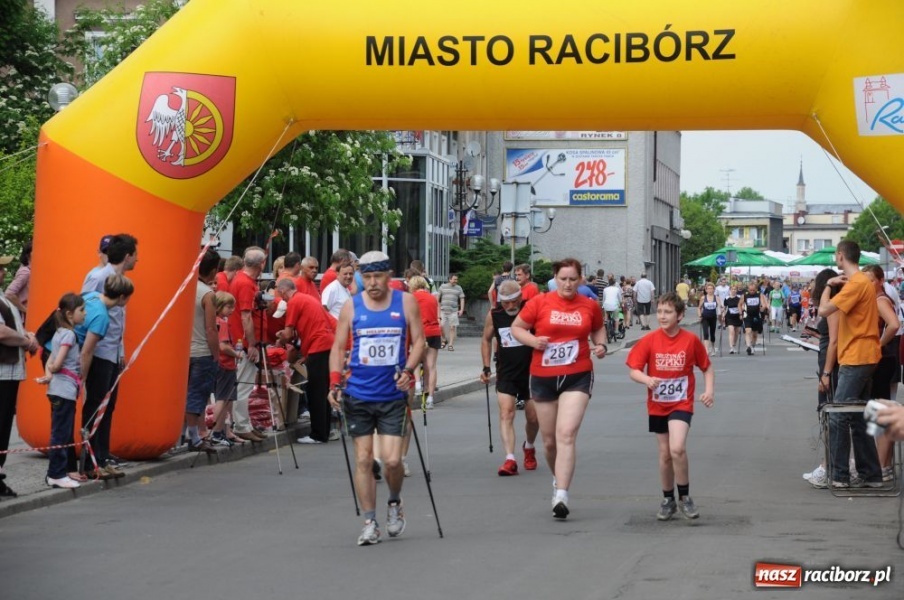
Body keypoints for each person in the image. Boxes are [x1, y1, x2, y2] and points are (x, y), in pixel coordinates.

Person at [328, 251, 425, 546]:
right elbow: (338, 347)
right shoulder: (351, 306)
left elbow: (419, 341)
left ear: (389, 275)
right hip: (357, 392)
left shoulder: (406, 302)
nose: (372, 283)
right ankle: (370, 521)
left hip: (393, 393)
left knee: (392, 462)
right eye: (366, 277)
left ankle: (394, 502)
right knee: (363, 459)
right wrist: (334, 383)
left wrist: (409, 369)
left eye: (378, 276)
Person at [510, 258, 607, 519]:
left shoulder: (589, 305)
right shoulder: (540, 302)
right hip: (543, 375)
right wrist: (533, 340)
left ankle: (562, 493)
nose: (568, 283)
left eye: (573, 279)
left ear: (580, 279)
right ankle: (557, 478)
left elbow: (598, 329)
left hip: (578, 374)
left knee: (566, 434)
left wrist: (601, 346)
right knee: (549, 441)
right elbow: (516, 328)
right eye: (563, 279)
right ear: (555, 279)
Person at [627, 292, 714, 520]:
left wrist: (709, 390)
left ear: (680, 315)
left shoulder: (690, 340)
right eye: (660, 312)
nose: (662, 316)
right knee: (665, 454)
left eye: (668, 312)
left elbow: (706, 367)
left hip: (681, 402)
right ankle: (668, 498)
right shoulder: (649, 340)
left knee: (677, 448)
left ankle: (685, 496)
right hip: (657, 405)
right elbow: (633, 370)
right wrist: (646, 379)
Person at [817, 240, 883, 488]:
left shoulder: (855, 283)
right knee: (858, 418)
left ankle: (840, 475)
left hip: (857, 356)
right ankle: (871, 474)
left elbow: (824, 310)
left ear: (841, 256)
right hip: (863, 355)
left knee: (839, 415)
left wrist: (828, 285)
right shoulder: (861, 283)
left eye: (836, 255)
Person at [81, 233, 138, 476]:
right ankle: (89, 461)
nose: (138, 260)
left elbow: (119, 319)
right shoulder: (98, 277)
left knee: (109, 405)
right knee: (96, 405)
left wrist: (121, 350)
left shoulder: (119, 279)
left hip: (113, 352)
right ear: (127, 256)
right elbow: (83, 309)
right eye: (135, 255)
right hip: (99, 351)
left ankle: (102, 458)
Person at [480, 280, 539, 476]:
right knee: (507, 413)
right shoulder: (494, 315)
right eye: (507, 303)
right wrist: (486, 367)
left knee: (533, 418)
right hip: (506, 372)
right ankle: (510, 459)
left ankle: (529, 447)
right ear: (500, 301)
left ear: (521, 297)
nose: (511, 306)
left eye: (515, 301)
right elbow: (486, 340)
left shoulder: (531, 310)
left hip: (531, 372)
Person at [276, 278, 336, 444]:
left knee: (315, 390)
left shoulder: (295, 302)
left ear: (282, 292)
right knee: (323, 389)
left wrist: (280, 340)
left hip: (318, 346)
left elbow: (288, 333)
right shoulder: (307, 299)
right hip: (325, 344)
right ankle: (324, 430)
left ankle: (318, 434)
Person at [38, 293, 87, 488]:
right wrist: (56, 369)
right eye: (81, 310)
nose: (85, 314)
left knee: (60, 430)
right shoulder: (69, 334)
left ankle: (58, 472)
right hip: (64, 389)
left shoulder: (58, 333)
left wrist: (49, 374)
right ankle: (56, 474)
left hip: (57, 388)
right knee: (61, 432)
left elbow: (50, 359)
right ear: (69, 314)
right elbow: (57, 363)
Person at [0, 262, 39, 499]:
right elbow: (1, 333)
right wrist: (25, 341)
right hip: (2, 374)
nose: (4, 272)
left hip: (9, 372)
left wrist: (26, 336)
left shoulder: (3, 298)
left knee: (4, 428)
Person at [862, 264, 900, 481]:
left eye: (871, 279)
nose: (868, 283)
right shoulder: (880, 299)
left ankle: (882, 466)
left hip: (882, 360)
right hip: (885, 359)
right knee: (883, 411)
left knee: (880, 412)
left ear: (879, 280)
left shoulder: (880, 300)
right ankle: (884, 465)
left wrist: (877, 344)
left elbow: (894, 325)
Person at [803, 269, 840, 488]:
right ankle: (827, 465)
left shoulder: (832, 307)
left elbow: (834, 341)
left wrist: (826, 373)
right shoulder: (830, 307)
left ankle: (828, 467)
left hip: (830, 366)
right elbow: (830, 337)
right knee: (827, 414)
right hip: (825, 360)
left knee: (828, 413)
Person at [228, 247, 268, 443]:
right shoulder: (245, 283)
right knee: (243, 386)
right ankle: (242, 425)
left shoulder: (244, 281)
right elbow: (246, 316)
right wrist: (251, 344)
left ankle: (245, 424)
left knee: (244, 384)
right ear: (261, 264)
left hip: (243, 341)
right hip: (244, 343)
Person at [184, 249, 221, 453]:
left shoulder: (184, 288)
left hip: (183, 351)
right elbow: (210, 329)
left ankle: (189, 434)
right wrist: (216, 354)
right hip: (201, 350)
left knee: (186, 393)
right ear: (214, 270)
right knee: (197, 394)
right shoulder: (208, 294)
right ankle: (194, 437)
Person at [209, 291, 243, 446]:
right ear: (220, 306)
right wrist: (236, 354)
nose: (232, 310)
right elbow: (223, 346)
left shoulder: (213, 321)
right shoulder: (221, 323)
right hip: (226, 364)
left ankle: (225, 430)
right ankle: (217, 431)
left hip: (220, 364)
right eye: (229, 307)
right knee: (223, 398)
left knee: (226, 398)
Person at [409, 275, 440, 409]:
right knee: (431, 366)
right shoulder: (432, 298)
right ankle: (430, 398)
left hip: (420, 332)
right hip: (434, 331)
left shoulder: (412, 298)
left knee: (415, 359)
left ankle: (417, 385)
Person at [438, 273, 465, 351]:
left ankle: (450, 344)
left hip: (453, 311)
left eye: (456, 279)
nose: (456, 281)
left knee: (452, 327)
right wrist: (437, 309)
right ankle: (444, 340)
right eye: (454, 279)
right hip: (443, 310)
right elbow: (438, 298)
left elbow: (462, 298)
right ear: (450, 279)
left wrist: (461, 309)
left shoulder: (459, 288)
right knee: (440, 326)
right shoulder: (442, 287)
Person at [5, 240, 31, 315]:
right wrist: (25, 310)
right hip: (26, 318)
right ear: (28, 255)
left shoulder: (34, 271)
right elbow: (9, 294)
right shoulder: (26, 271)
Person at [741, 281, 766, 355]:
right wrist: (741, 309)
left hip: (756, 316)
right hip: (747, 315)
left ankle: (753, 346)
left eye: (753, 290)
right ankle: (749, 346)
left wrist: (763, 308)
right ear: (748, 289)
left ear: (756, 289)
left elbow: (763, 304)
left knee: (755, 334)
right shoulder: (745, 295)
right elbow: (740, 304)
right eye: (750, 290)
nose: (752, 291)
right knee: (748, 331)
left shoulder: (759, 295)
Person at [698, 282, 719, 355]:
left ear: (714, 289)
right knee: (706, 333)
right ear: (706, 290)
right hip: (705, 317)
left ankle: (713, 348)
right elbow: (699, 308)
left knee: (712, 334)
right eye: (708, 289)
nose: (710, 290)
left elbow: (720, 306)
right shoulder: (703, 298)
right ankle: (706, 350)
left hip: (713, 317)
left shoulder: (716, 297)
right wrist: (700, 315)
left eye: (711, 289)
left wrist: (722, 311)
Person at [723, 284, 743, 354]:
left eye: (735, 289)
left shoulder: (739, 298)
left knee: (737, 332)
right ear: (730, 290)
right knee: (731, 331)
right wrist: (723, 315)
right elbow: (725, 308)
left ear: (737, 290)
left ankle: (734, 345)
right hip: (729, 317)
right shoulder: (727, 298)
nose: (733, 291)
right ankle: (731, 347)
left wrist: (742, 313)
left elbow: (742, 306)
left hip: (738, 316)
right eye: (732, 289)